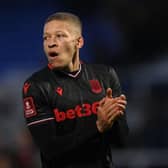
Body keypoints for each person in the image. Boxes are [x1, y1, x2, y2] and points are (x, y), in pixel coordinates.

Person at [22, 12, 129, 168]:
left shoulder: (105, 75)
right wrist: (97, 126)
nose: (51, 43)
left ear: (79, 42)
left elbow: (122, 141)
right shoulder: (36, 86)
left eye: (59, 36)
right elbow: (50, 149)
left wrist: (115, 118)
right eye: (46, 37)